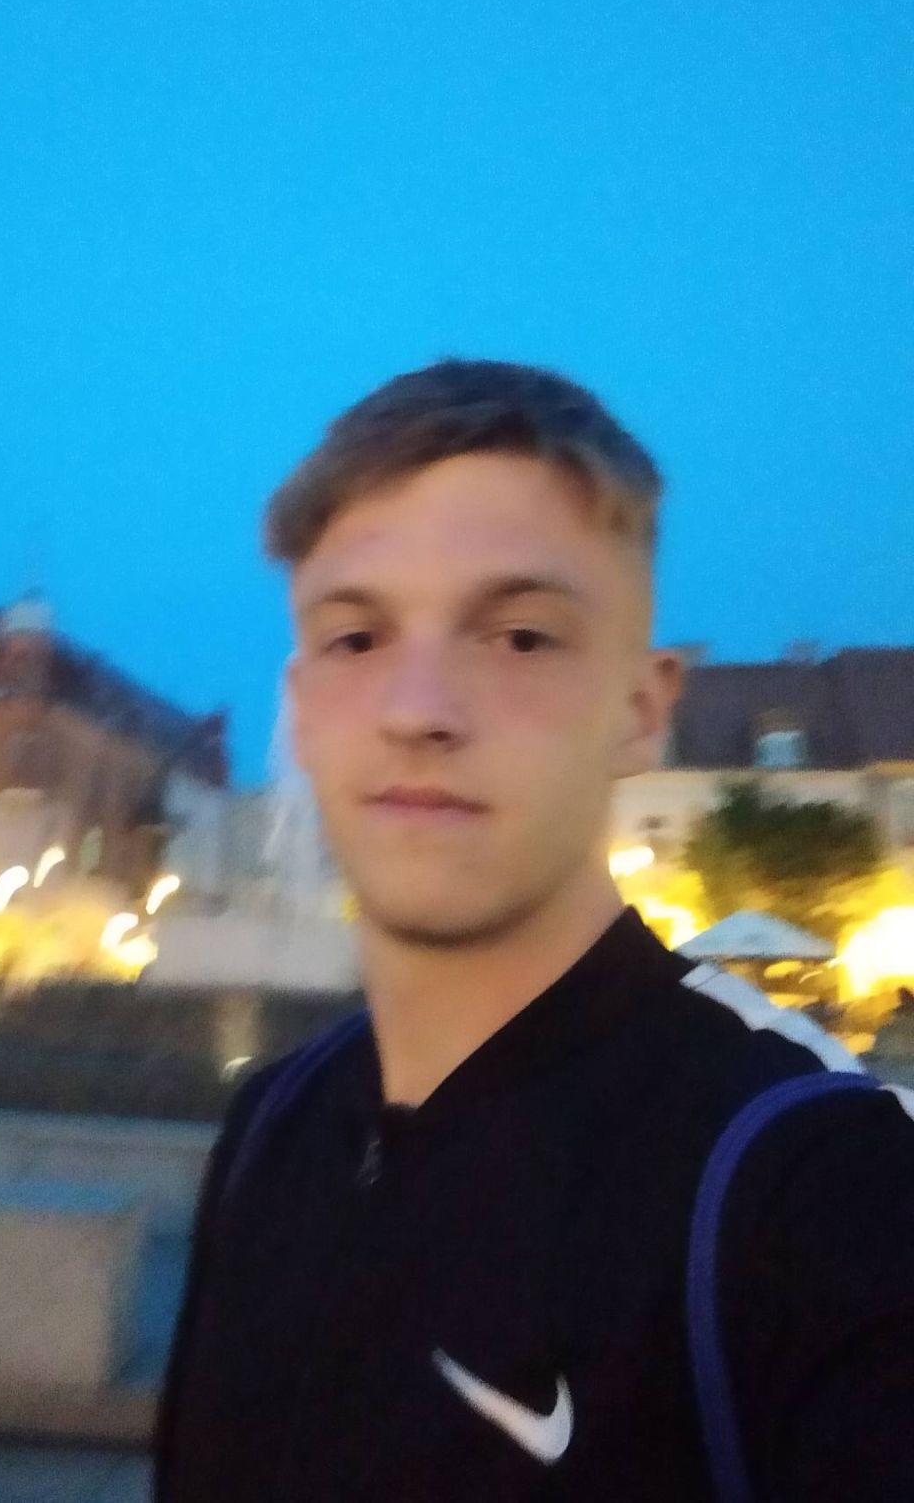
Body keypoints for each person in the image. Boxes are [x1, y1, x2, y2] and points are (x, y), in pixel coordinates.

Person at [153, 360, 914, 1502]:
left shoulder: (816, 1190)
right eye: (356, 639)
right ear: (300, 710)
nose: (417, 710)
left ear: (642, 709)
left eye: (518, 636)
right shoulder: (270, 1126)